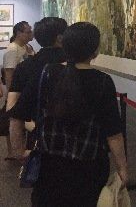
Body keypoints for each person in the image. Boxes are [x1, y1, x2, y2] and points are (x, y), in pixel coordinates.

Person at [10, 22, 127, 206]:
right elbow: (113, 133)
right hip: (89, 169)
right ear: (95, 51)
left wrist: (18, 151)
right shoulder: (103, 82)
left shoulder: (46, 73)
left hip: (49, 169)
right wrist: (122, 169)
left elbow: (17, 114)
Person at [7, 18, 67, 153]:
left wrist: (20, 152)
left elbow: (12, 108)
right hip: (70, 138)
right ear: (60, 38)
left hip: (36, 133)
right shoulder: (70, 65)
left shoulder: (25, 66)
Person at [2, 21, 33, 159]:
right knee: (13, 121)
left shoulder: (27, 47)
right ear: (19, 33)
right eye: (28, 31)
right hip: (17, 93)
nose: (31, 34)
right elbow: (9, 76)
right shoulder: (12, 50)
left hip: (25, 91)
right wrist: (12, 96)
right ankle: (13, 152)